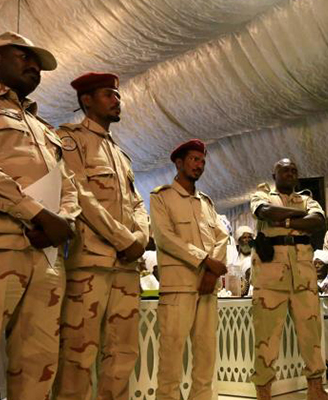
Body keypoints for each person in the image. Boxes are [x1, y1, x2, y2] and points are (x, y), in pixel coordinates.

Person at [0, 31, 80, 400]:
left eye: (39, 63)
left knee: (38, 366)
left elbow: (68, 184)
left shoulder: (44, 128)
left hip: (45, 257)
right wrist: (37, 213)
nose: (35, 66)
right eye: (24, 56)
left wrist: (65, 220)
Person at [53, 72, 150, 400]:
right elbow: (80, 195)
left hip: (125, 268)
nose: (116, 100)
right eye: (108, 94)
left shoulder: (121, 155)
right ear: (86, 100)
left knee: (123, 354)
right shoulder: (70, 139)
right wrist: (125, 240)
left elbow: (137, 203)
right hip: (90, 264)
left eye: (117, 95)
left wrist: (141, 237)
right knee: (78, 354)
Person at [149, 139, 229, 400]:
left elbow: (222, 237)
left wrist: (212, 273)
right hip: (178, 288)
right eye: (194, 159)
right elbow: (165, 238)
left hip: (207, 287)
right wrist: (205, 260)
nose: (199, 165)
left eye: (202, 161)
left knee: (206, 354)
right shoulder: (161, 197)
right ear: (179, 163)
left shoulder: (206, 203)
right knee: (171, 355)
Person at [250, 158, 328, 400]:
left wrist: (285, 220)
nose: (290, 173)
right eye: (284, 170)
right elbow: (266, 212)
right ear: (274, 175)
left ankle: (315, 389)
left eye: (294, 170)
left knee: (311, 334)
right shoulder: (262, 195)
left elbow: (318, 221)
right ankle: (263, 391)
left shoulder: (308, 199)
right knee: (266, 336)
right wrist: (300, 217)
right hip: (270, 277)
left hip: (303, 275)